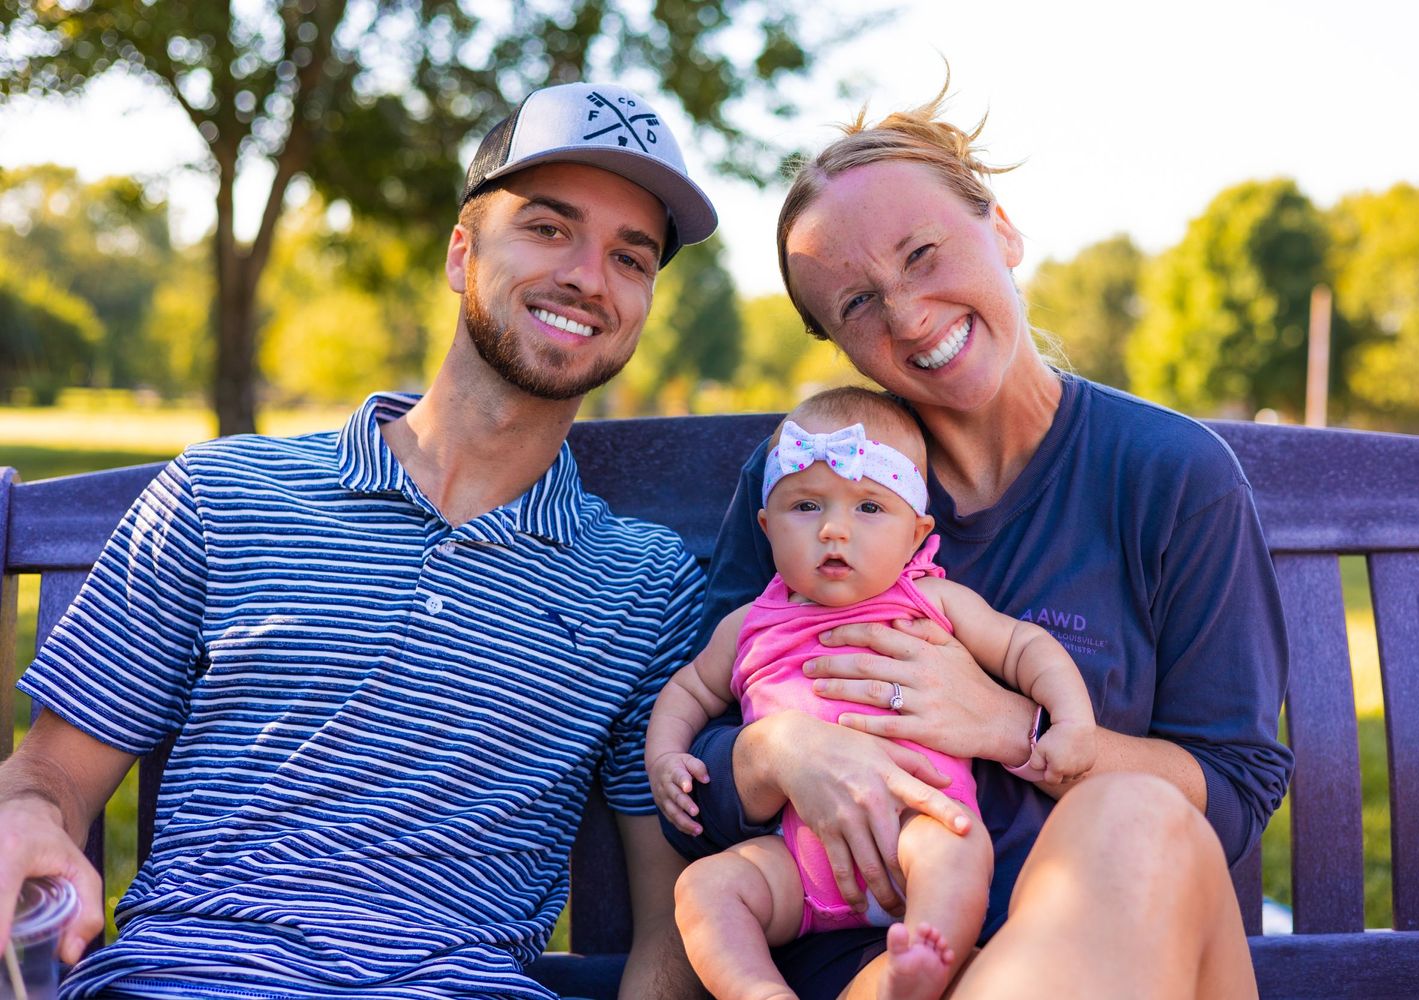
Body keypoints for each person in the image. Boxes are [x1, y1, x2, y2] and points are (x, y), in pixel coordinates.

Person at [0, 81, 718, 1000]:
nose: (589, 275)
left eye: (632, 256)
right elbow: (51, 772)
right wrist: (25, 818)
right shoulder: (223, 492)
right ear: (463, 253)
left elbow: (671, 920)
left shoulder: (644, 583)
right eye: (548, 228)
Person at [666, 86, 1294, 999]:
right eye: (857, 304)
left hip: (1121, 932)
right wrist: (781, 752)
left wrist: (1007, 725)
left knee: (1131, 813)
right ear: (839, 343)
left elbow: (1230, 793)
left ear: (1001, 228)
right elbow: (697, 796)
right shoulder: (808, 487)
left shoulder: (1169, 475)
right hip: (870, 969)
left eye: (924, 254)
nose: (911, 316)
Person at [646, 387, 1096, 1000]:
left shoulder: (929, 600)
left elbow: (1027, 648)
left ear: (917, 534)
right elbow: (687, 690)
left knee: (958, 848)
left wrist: (1069, 721)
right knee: (703, 889)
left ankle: (928, 957)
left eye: (868, 508)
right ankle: (758, 990)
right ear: (766, 527)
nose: (834, 529)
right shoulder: (748, 624)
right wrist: (667, 757)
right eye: (805, 507)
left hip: (918, 827)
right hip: (798, 859)